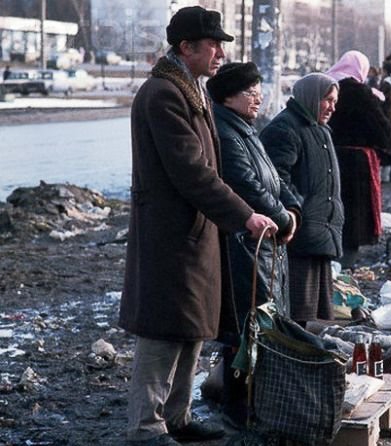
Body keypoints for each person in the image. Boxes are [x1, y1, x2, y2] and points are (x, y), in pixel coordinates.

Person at [119, 7, 278, 446]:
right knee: (163, 331)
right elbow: (193, 172)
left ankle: (177, 417)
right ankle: (146, 427)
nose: (221, 52)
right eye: (214, 44)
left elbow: (207, 172)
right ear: (186, 47)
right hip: (171, 236)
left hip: (192, 233)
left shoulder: (191, 91)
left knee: (191, 329)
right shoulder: (163, 95)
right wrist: (244, 214)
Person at [206, 62, 301, 426]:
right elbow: (246, 185)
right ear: (229, 97)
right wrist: (282, 217)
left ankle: (255, 400)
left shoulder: (245, 129)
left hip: (264, 242)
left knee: (262, 321)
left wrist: (292, 209)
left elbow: (273, 180)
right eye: (251, 91)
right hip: (245, 244)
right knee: (244, 325)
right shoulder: (227, 134)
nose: (258, 97)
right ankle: (238, 408)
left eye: (259, 89)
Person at [259, 73, 343, 325]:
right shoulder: (285, 129)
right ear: (311, 97)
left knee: (310, 316)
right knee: (296, 314)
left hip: (318, 234)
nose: (332, 107)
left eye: (334, 101)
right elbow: (276, 180)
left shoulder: (319, 129)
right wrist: (297, 210)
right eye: (327, 100)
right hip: (300, 236)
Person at [326, 50, 391, 268]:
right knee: (354, 219)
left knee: (332, 210)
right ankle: (345, 267)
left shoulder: (326, 87)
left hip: (328, 156)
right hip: (356, 164)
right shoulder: (361, 94)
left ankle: (331, 263)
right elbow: (383, 131)